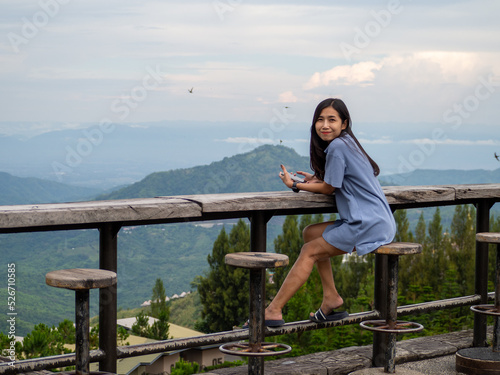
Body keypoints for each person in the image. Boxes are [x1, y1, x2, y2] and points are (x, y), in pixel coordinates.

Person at [264, 98, 396, 327]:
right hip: (376, 219)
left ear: (344, 123)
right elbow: (338, 180)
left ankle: (273, 310)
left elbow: (329, 188)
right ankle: (330, 297)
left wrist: (295, 185)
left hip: (366, 223)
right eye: (320, 119)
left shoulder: (337, 147)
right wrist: (316, 178)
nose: (325, 125)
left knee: (309, 251)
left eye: (331, 120)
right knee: (311, 233)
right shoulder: (348, 143)